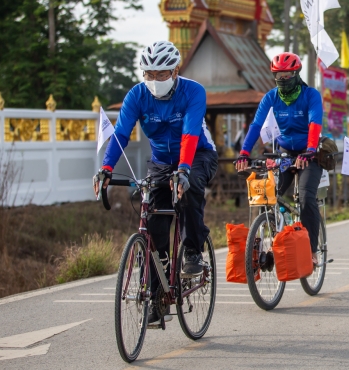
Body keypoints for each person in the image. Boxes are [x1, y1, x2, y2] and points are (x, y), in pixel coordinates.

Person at [94, 40, 218, 327]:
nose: (154, 79)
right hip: (161, 162)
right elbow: (121, 134)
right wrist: (106, 168)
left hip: (197, 154)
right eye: (149, 73)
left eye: (161, 74)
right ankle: (157, 297)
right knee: (153, 225)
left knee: (189, 188)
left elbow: (190, 133)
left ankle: (192, 251)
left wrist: (184, 170)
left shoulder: (193, 91)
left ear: (175, 71)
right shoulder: (136, 96)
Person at [236, 52, 324, 264]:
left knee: (306, 197)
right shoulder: (271, 97)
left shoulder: (311, 95)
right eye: (278, 75)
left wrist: (310, 150)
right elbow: (256, 125)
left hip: (309, 152)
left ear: (296, 74)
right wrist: (244, 153)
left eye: (287, 75)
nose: (282, 79)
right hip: (284, 153)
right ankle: (273, 236)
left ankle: (311, 250)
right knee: (268, 195)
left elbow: (315, 123)